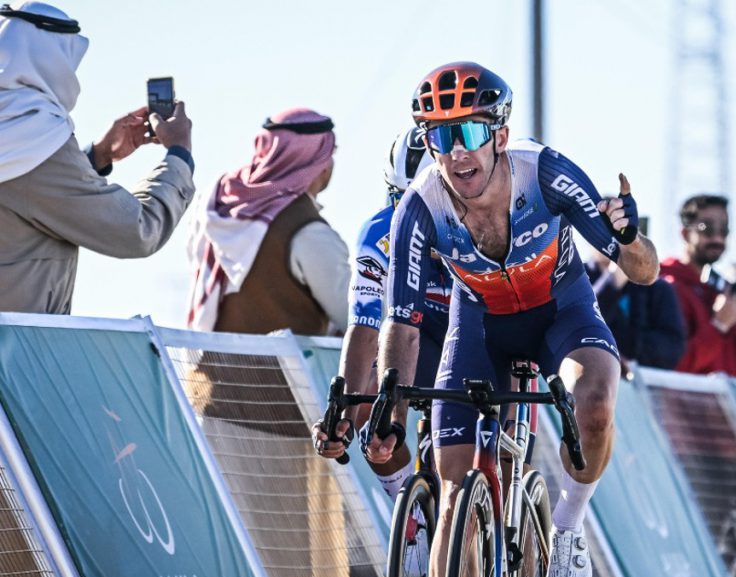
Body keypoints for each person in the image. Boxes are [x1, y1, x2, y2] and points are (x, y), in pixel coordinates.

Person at [365, 62, 659, 577]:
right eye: (440, 136)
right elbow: (401, 323)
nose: (456, 151)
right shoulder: (420, 206)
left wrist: (629, 237)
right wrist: (390, 407)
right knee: (453, 495)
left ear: (499, 134)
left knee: (594, 405)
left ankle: (568, 527)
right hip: (480, 327)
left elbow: (644, 271)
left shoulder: (543, 172)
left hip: (561, 313)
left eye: (470, 132)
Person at [0, 2, 195, 314]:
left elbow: (27, 193)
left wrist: (97, 156)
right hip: (17, 343)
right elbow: (137, 230)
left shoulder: (16, 136)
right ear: (52, 61)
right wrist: (179, 156)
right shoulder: (34, 132)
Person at [313, 126, 448, 502]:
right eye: (399, 201)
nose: (410, 218)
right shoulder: (378, 235)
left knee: (488, 448)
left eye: (423, 205)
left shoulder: (481, 224)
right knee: (371, 413)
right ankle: (415, 516)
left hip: (479, 336)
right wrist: (342, 411)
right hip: (419, 338)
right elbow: (364, 327)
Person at [186, 108, 348, 335]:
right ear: (319, 162)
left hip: (204, 355)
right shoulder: (308, 231)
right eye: (330, 153)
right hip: (285, 360)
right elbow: (357, 318)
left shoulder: (213, 203)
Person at [660, 194, 736, 377]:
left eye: (724, 231)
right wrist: (719, 326)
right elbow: (675, 364)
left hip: (722, 396)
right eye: (707, 229)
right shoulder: (667, 288)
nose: (717, 238)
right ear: (685, 234)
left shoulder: (720, 291)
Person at [586, 249, 685, 372]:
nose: (611, 241)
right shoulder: (572, 278)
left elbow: (672, 347)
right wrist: (612, 281)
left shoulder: (659, 288)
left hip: (641, 381)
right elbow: (581, 324)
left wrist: (623, 352)